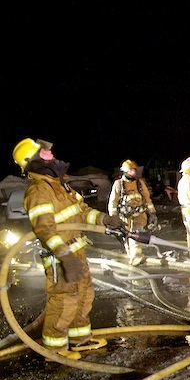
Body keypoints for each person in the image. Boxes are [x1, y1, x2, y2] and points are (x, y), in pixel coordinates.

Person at [12, 137, 125, 360]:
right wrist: (65, 256)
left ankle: (80, 340)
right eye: (44, 154)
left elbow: (82, 212)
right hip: (60, 257)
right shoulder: (38, 191)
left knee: (84, 295)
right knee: (64, 301)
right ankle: (54, 349)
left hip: (76, 251)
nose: (51, 156)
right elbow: (44, 229)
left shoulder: (60, 185)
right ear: (33, 161)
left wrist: (105, 219)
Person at [108, 159, 157, 266]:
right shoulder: (119, 184)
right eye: (131, 171)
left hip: (140, 216)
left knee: (136, 234)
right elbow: (113, 201)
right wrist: (113, 216)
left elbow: (147, 198)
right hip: (125, 217)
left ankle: (136, 257)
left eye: (134, 170)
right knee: (126, 237)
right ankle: (132, 256)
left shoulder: (140, 183)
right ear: (125, 172)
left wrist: (152, 212)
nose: (133, 173)